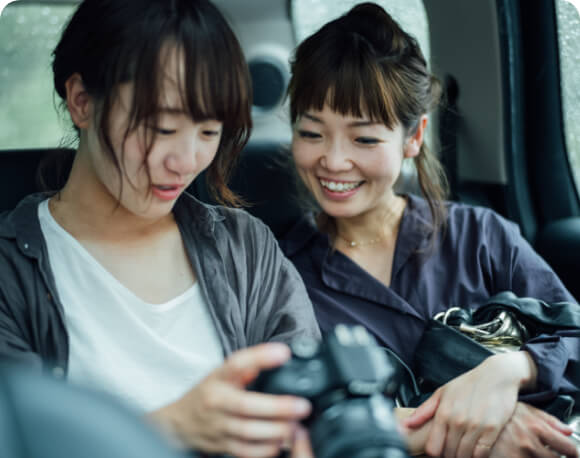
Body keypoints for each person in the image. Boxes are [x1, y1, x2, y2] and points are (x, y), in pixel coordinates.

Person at [0, 1, 320, 457]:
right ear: (82, 102)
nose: (185, 161)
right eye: (162, 127)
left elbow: (307, 405)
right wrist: (170, 428)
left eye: (209, 133)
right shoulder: (10, 271)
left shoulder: (244, 247)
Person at [280, 3, 579, 457]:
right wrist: (487, 426)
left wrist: (512, 370)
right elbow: (297, 411)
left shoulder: (481, 236)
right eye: (311, 133)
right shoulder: (284, 276)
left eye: (364, 139)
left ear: (414, 137)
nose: (334, 161)